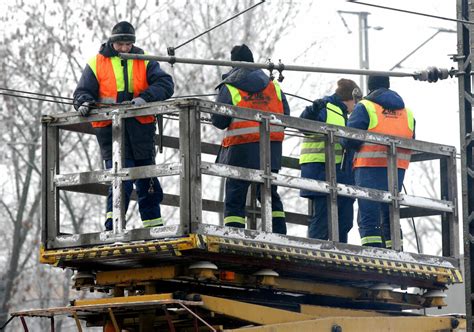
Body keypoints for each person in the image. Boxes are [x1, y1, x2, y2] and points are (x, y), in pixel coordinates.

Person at [73, 21, 174, 231]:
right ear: (112, 42)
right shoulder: (97, 63)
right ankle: (113, 228)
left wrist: (144, 99)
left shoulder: (144, 61)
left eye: (128, 44)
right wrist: (83, 102)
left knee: (148, 182)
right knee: (120, 182)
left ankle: (153, 229)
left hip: (141, 133)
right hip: (112, 133)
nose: (124, 48)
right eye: (120, 44)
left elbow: (165, 84)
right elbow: (82, 91)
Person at [211, 44, 289, 234]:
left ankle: (234, 233)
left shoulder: (230, 86)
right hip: (271, 148)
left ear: (233, 64)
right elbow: (286, 114)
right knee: (269, 192)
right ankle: (279, 233)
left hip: (241, 148)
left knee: (235, 193)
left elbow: (219, 120)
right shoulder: (273, 86)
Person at [342, 76, 415, 248]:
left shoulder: (365, 107)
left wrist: (342, 140)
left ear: (370, 89)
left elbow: (350, 139)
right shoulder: (407, 112)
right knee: (391, 211)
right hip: (397, 169)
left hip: (369, 167)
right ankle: (396, 252)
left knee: (369, 214)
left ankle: (373, 254)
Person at [299, 79, 360, 243]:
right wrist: (312, 110)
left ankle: (340, 260)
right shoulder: (325, 107)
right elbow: (303, 124)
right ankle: (312, 258)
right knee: (322, 222)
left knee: (344, 223)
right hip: (321, 171)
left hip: (340, 176)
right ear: (350, 98)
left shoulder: (344, 115)